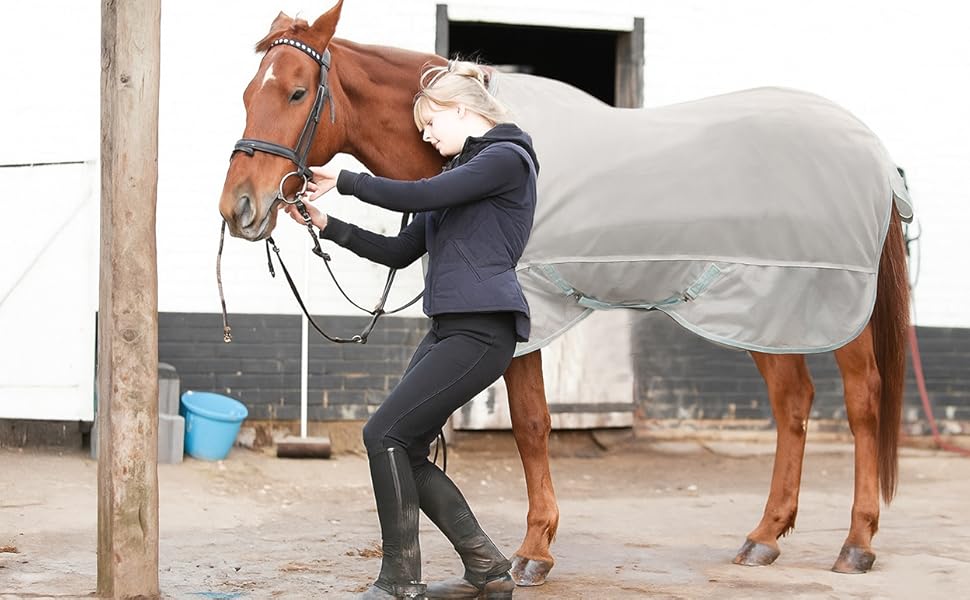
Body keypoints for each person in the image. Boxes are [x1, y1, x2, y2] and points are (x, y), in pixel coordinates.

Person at [283, 60, 539, 600]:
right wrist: (327, 225)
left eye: (429, 123)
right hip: (451, 329)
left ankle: (400, 580)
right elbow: (400, 251)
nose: (425, 134)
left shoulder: (507, 159)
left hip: (483, 331)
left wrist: (348, 181)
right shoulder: (454, 180)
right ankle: (489, 569)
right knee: (404, 444)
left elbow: (417, 196)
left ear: (462, 109)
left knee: (383, 434)